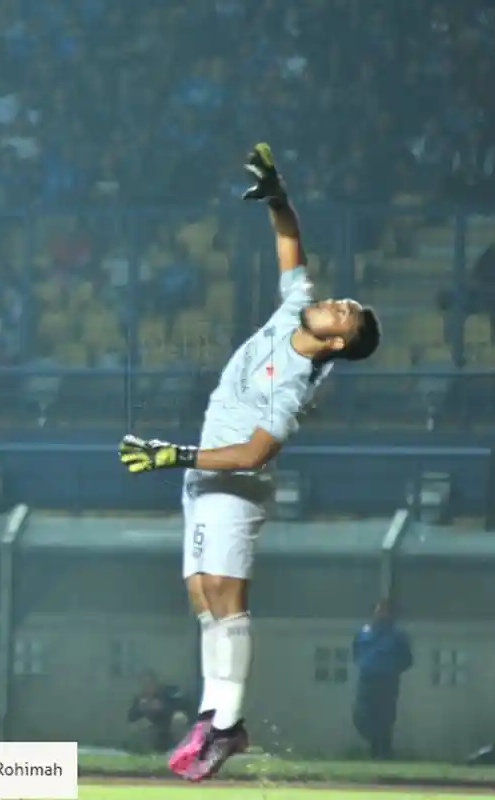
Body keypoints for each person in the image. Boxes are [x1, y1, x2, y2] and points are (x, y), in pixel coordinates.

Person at [118, 144, 381, 782]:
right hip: (203, 475)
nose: (336, 302)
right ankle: (212, 714)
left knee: (227, 598)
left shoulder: (296, 384)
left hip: (232, 479)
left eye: (343, 312)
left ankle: (227, 724)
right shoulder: (297, 308)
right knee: (201, 597)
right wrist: (277, 194)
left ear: (338, 341)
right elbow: (290, 245)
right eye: (341, 301)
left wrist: (171, 453)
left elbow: (256, 453)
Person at [352, 599, 413, 760]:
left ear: (391, 614)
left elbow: (407, 659)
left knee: (384, 717)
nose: (381, 614)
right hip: (367, 679)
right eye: (379, 610)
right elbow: (356, 652)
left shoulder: (397, 635)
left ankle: (382, 752)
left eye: (384, 611)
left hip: (387, 681)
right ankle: (374, 743)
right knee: (362, 716)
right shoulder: (363, 632)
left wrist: (392, 670)